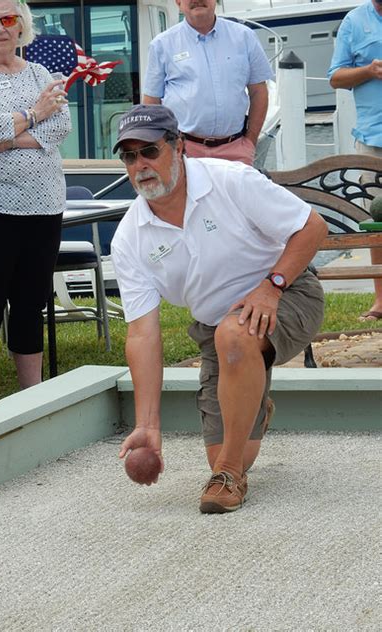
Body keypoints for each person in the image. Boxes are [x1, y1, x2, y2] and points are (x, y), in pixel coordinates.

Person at [111, 104, 328, 513]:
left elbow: (312, 227)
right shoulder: (128, 238)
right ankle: (247, 400)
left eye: (150, 151)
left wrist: (272, 286)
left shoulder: (231, 180)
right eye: (129, 156)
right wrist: (147, 425)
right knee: (228, 350)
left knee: (234, 336)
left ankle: (228, 476)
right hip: (218, 330)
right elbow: (142, 334)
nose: (140, 165)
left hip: (290, 292)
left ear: (178, 148)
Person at [0, 0, 71, 410]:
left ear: (21, 25)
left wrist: (3, 139)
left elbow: (61, 125)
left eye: (8, 20)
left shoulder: (41, 72)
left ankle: (32, 391)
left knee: (32, 299)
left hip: (44, 205)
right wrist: (33, 112)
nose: (0, 29)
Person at [142, 0, 273, 166]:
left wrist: (250, 142)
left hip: (236, 150)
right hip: (184, 152)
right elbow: (151, 103)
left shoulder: (244, 37)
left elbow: (259, 91)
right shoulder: (161, 45)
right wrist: (164, 148)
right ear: (178, 2)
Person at [328, 0, 382, 321]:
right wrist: (369, 71)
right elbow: (335, 77)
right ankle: (381, 301)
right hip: (372, 142)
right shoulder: (353, 21)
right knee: (377, 224)